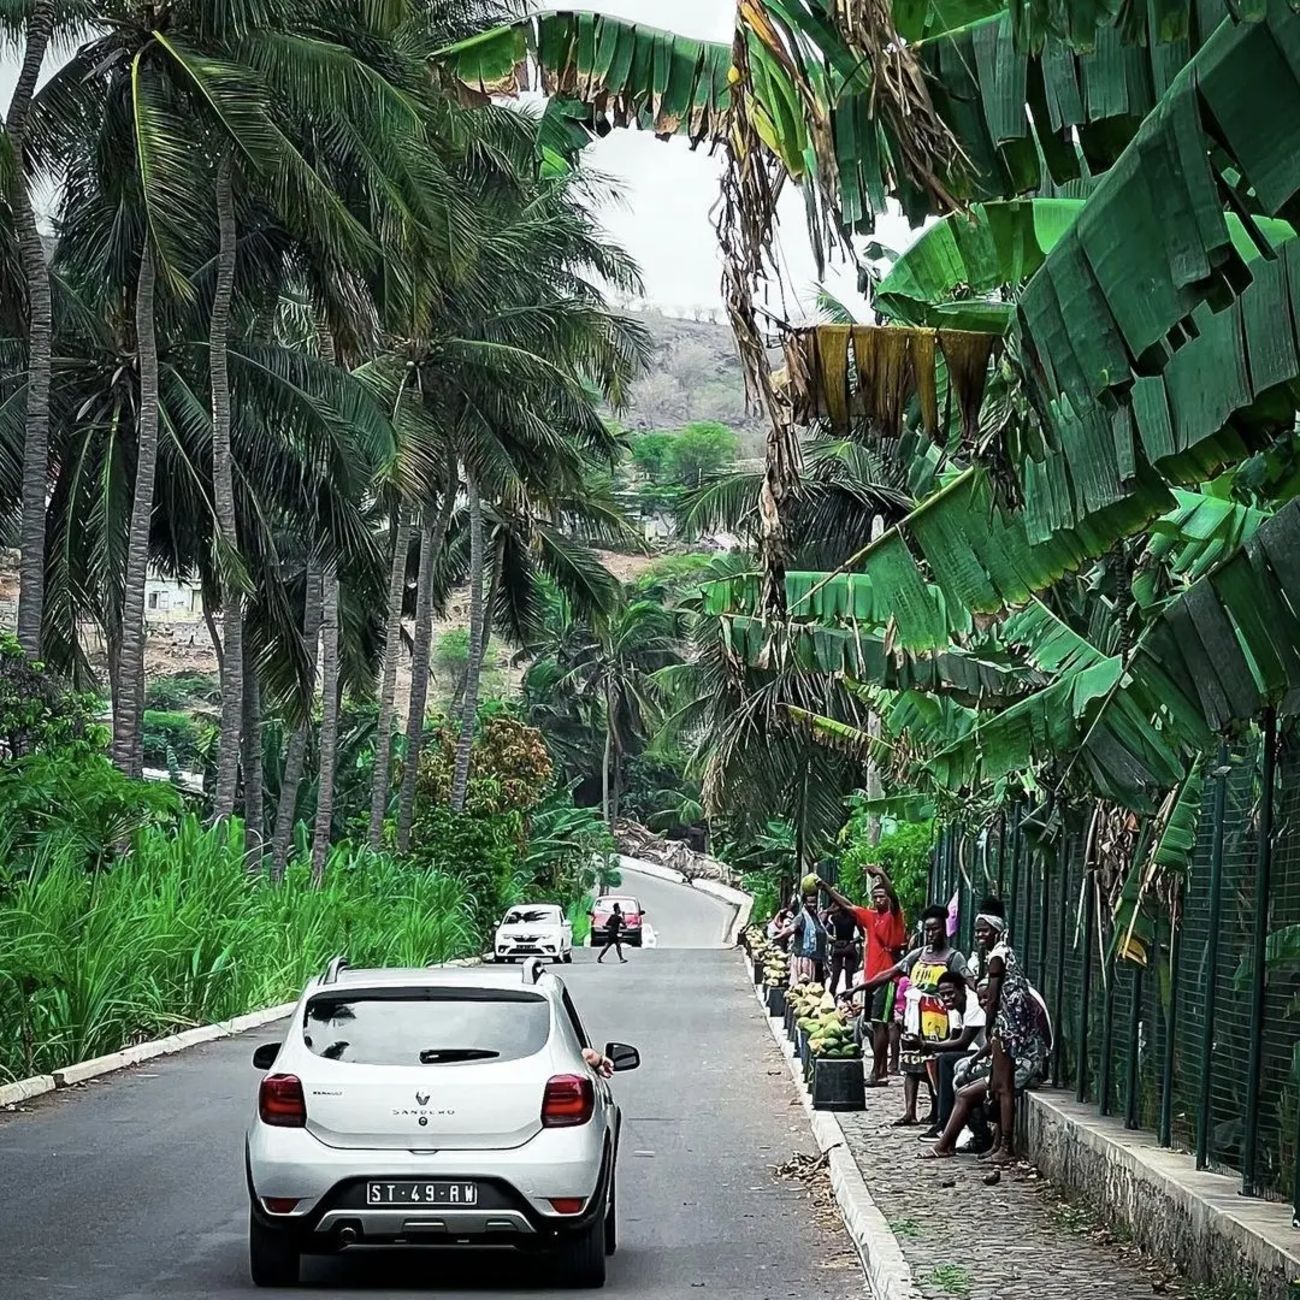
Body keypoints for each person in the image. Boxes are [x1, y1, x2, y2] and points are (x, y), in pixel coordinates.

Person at [852, 904, 970, 1126]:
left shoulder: (954, 957)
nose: (930, 934)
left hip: (940, 1018)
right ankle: (909, 1111)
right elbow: (891, 972)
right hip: (915, 1018)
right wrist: (860, 988)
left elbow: (966, 979)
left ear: (944, 929)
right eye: (927, 929)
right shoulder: (918, 955)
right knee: (910, 1065)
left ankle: (937, 1111)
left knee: (934, 1063)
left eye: (935, 929)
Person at [973, 899, 1051, 1163]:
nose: (979, 935)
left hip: (1007, 1027)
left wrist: (989, 1027)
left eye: (984, 930)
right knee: (997, 1086)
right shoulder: (1005, 952)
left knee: (1004, 1088)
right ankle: (998, 1143)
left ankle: (1006, 1146)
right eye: (977, 931)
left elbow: (993, 999)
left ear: (995, 929)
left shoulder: (997, 956)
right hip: (1011, 1026)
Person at [825, 867, 907, 1085]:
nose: (879, 900)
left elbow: (895, 896)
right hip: (871, 979)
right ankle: (879, 1071)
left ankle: (879, 1072)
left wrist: (881, 874)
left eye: (883, 896)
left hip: (887, 978)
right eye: (876, 897)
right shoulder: (870, 917)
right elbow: (847, 905)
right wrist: (826, 888)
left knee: (881, 1024)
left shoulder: (894, 916)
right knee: (874, 1025)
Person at [919, 969, 986, 1140]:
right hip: (979, 1051)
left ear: (962, 990)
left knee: (947, 1061)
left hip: (987, 1052)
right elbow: (954, 1038)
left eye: (950, 994)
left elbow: (963, 1042)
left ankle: (944, 1122)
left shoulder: (973, 1004)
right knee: (940, 1060)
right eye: (943, 995)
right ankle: (941, 1118)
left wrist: (930, 1045)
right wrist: (932, 1049)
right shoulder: (954, 1007)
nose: (947, 999)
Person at [778, 892, 826, 986]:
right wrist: (778, 936)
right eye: (810, 902)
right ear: (804, 903)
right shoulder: (801, 917)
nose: (813, 905)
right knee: (802, 988)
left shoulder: (816, 918)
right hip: (803, 960)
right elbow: (791, 928)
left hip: (816, 960)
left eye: (814, 902)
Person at [824, 901, 861, 997]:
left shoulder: (834, 918)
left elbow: (826, 930)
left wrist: (832, 940)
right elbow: (861, 934)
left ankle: (830, 999)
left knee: (835, 978)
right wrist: (853, 941)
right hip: (849, 947)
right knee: (849, 980)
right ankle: (849, 1003)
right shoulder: (854, 918)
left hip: (838, 947)